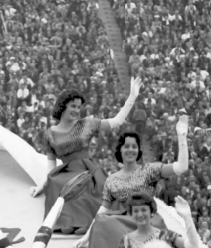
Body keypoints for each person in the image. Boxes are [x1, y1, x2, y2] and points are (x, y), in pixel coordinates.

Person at [73, 116, 190, 248]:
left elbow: (181, 167)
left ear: (138, 150)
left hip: (148, 220)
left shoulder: (149, 170)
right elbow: (103, 210)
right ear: (120, 150)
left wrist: (182, 137)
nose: (130, 150)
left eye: (134, 146)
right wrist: (86, 237)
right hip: (126, 220)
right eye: (126, 146)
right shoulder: (112, 179)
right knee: (101, 222)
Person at [30, 78, 142, 234]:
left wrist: (132, 97)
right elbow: (50, 165)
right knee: (56, 183)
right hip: (66, 172)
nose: (76, 110)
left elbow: (117, 121)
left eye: (78, 107)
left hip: (89, 170)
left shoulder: (86, 124)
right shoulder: (49, 134)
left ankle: (87, 223)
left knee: (87, 185)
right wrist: (41, 185)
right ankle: (68, 222)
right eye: (73, 106)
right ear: (62, 106)